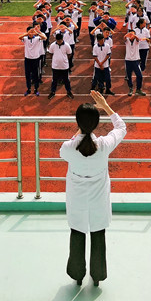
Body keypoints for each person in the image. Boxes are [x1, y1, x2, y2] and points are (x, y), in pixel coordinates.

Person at [60, 90, 126, 287]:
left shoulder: (68, 148)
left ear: (77, 122)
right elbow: (121, 127)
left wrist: (79, 132)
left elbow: (71, 146)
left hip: (77, 201)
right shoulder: (104, 144)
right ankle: (97, 276)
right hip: (98, 202)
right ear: (97, 124)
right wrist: (106, 106)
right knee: (98, 235)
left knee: (77, 234)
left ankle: (77, 275)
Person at [20, 25, 46, 96]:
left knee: (36, 75)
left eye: (32, 32)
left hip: (35, 59)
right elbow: (19, 37)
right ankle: (28, 89)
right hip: (27, 59)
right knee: (27, 75)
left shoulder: (37, 38)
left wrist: (36, 32)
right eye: (30, 32)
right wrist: (27, 33)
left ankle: (36, 89)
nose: (31, 33)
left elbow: (45, 38)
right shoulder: (25, 38)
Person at [48, 32, 73, 99]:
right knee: (54, 80)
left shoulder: (67, 45)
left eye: (60, 40)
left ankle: (69, 91)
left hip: (64, 66)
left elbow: (69, 54)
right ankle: (52, 92)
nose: (59, 42)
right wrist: (54, 60)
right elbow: (50, 53)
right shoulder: (53, 45)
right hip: (55, 66)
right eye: (58, 41)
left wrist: (64, 59)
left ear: (62, 39)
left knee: (66, 80)